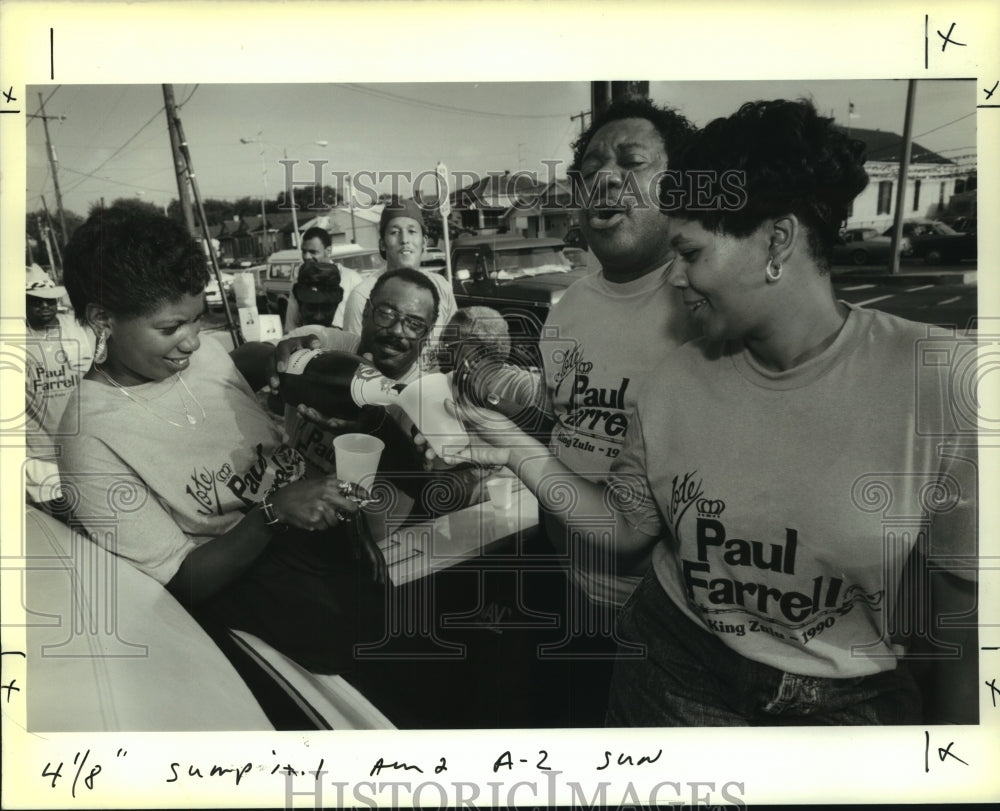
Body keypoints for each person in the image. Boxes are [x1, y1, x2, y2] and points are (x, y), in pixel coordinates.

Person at [454, 99, 977, 726]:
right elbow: (623, 530)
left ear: (776, 240)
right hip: (672, 668)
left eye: (692, 253)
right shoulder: (673, 380)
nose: (674, 279)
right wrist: (506, 441)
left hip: (844, 701)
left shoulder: (941, 379)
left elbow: (964, 613)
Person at [56, 205, 382, 676]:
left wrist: (280, 359)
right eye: (170, 328)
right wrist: (272, 514)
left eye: (198, 318)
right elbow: (181, 584)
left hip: (332, 552)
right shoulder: (89, 437)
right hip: (271, 613)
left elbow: (242, 363)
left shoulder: (199, 354)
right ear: (102, 320)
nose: (191, 341)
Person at [541, 97, 697, 610]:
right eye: (592, 169)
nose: (607, 179)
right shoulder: (569, 305)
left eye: (632, 164)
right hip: (572, 586)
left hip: (669, 613)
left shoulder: (704, 302)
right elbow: (562, 425)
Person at [341, 197, 457, 357]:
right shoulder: (362, 295)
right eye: (395, 232)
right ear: (382, 243)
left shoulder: (441, 286)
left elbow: (455, 344)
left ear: (424, 242)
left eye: (412, 231)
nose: (404, 240)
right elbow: (355, 360)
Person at [24, 265, 95, 506]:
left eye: (50, 301)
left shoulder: (78, 331)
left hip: (84, 444)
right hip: (41, 453)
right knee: (59, 519)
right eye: (35, 301)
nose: (45, 307)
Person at [283, 226, 361, 330]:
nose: (306, 257)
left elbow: (361, 324)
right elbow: (291, 324)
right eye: (304, 251)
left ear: (328, 251)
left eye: (313, 252)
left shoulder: (351, 279)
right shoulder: (299, 281)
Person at [291, 261, 343, 328]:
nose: (319, 317)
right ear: (300, 305)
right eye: (311, 308)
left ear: (336, 307)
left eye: (326, 308)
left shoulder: (346, 338)